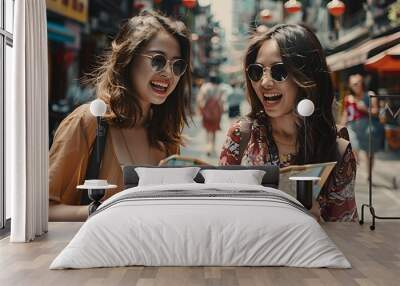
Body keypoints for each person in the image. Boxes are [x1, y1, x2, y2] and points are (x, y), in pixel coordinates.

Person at [49, 10, 192, 221]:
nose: (169, 74)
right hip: (98, 252)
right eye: (158, 60)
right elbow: (42, 209)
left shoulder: (166, 137)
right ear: (129, 58)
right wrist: (101, 211)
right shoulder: (89, 121)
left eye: (177, 65)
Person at [219, 24, 358, 222]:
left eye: (279, 71)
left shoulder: (337, 148)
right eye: (257, 71)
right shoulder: (241, 135)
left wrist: (319, 225)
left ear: (306, 75)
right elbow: (219, 210)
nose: (265, 83)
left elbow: (348, 231)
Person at [340, 74, 384, 179]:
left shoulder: (370, 95)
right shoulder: (348, 98)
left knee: (369, 153)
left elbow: (376, 112)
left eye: (357, 83)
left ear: (362, 83)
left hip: (368, 128)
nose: (355, 86)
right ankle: (353, 172)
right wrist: (340, 127)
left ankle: (369, 174)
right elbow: (346, 114)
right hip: (353, 127)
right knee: (352, 149)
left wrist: (364, 108)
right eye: (353, 84)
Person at [197, 75, 225, 156]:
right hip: (216, 111)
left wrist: (200, 109)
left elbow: (200, 99)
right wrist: (221, 110)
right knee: (214, 130)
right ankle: (212, 146)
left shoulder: (205, 87)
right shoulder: (220, 88)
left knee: (207, 130)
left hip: (207, 110)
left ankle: (207, 146)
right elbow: (221, 101)